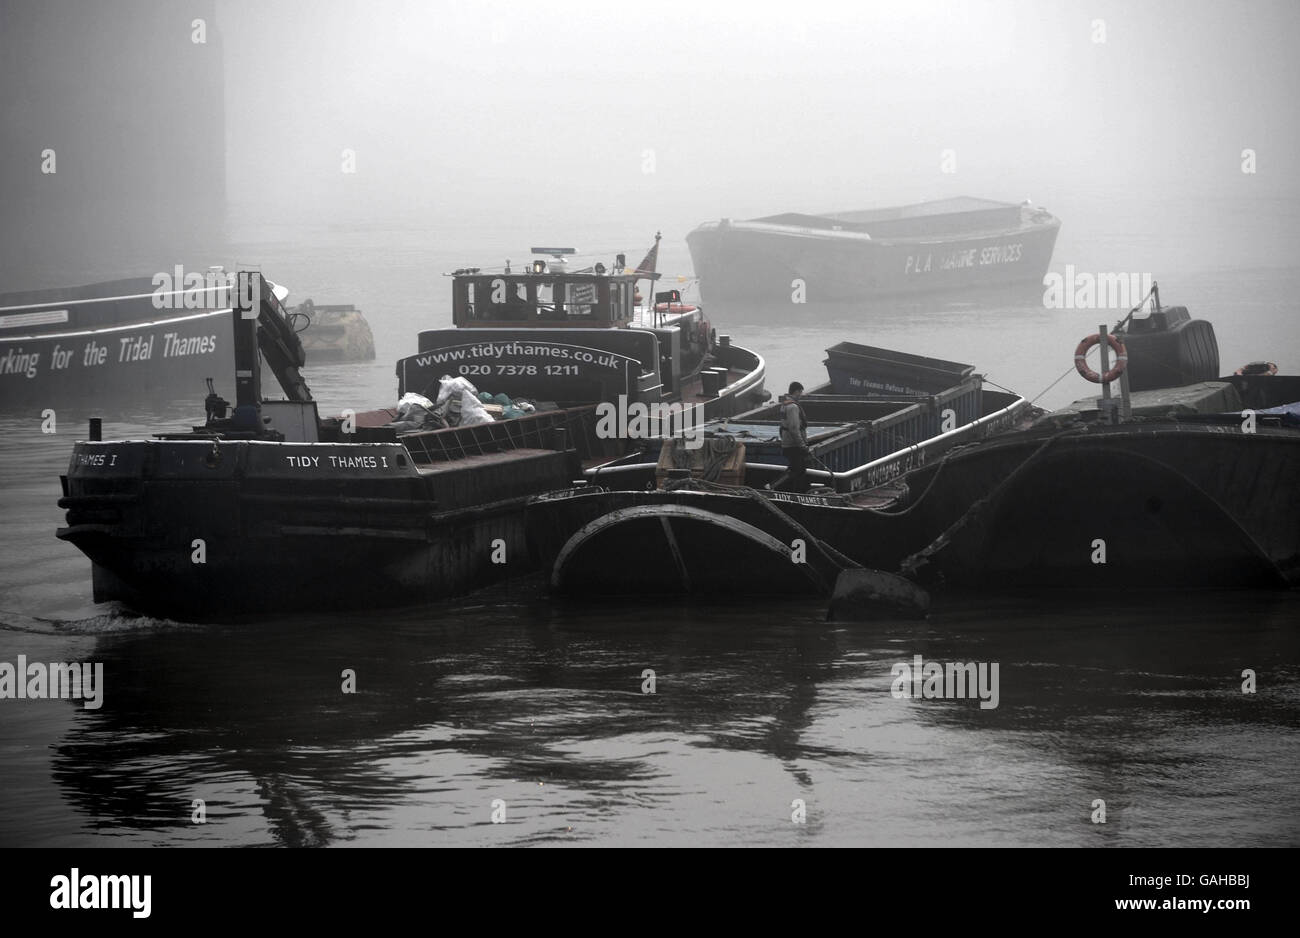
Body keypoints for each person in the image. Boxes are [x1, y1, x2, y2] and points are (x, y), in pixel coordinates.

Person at [779, 381, 810, 492]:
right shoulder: (792, 407)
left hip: (788, 443)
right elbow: (793, 428)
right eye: (800, 392)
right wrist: (802, 445)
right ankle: (774, 487)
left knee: (796, 470)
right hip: (793, 445)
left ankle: (795, 492)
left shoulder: (785, 404)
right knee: (798, 470)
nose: (800, 395)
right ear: (796, 391)